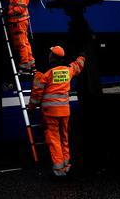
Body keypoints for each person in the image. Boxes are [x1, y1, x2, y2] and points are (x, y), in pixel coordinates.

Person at [28, 45, 85, 177]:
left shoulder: (45, 74)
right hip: (65, 112)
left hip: (50, 113)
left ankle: (59, 170)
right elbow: (78, 65)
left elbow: (36, 94)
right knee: (64, 138)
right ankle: (66, 165)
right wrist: (83, 55)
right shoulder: (68, 71)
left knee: (54, 140)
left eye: (50, 54)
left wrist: (31, 107)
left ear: (53, 57)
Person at [0, 0, 35, 72]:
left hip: (18, 22)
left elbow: (19, 9)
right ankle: (31, 63)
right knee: (25, 43)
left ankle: (25, 64)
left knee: (21, 43)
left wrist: (7, 12)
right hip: (20, 22)